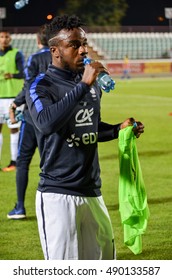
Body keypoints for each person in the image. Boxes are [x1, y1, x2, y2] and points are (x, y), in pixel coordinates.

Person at [26, 15, 144, 260]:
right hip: (57, 194)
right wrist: (82, 85)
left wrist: (117, 130)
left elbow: (90, 126)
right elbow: (46, 123)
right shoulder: (40, 86)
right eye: (75, 45)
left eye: (85, 43)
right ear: (55, 51)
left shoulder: (92, 86)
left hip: (92, 191)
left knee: (103, 266)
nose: (83, 50)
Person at [7, 25, 51, 219]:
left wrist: (15, 103)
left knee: (23, 161)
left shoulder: (34, 58)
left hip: (33, 118)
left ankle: (20, 207)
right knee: (49, 162)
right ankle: (51, 207)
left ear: (38, 40)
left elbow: (28, 86)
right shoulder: (63, 57)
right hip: (53, 118)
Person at [0, 30, 25, 171]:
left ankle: (14, 162)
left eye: (6, 37)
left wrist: (13, 75)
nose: (4, 39)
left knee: (13, 129)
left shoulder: (16, 53)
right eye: (1, 37)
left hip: (12, 99)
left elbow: (23, 73)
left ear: (10, 39)